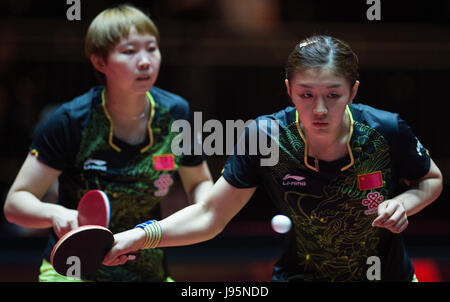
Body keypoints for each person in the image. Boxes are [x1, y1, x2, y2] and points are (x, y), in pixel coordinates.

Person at [104, 35, 443, 282]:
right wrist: (139, 236)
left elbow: (431, 180)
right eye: (306, 94)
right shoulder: (265, 137)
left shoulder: (386, 130)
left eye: (333, 95)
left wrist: (405, 203)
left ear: (353, 91)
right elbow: (210, 214)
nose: (320, 108)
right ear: (288, 89)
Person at [3, 4, 213, 282]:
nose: (145, 61)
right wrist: (54, 213)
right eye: (129, 51)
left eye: (151, 48)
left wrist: (206, 211)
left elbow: (199, 183)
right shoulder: (70, 121)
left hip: (147, 270)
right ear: (100, 61)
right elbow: (15, 204)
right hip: (73, 270)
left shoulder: (177, 114)